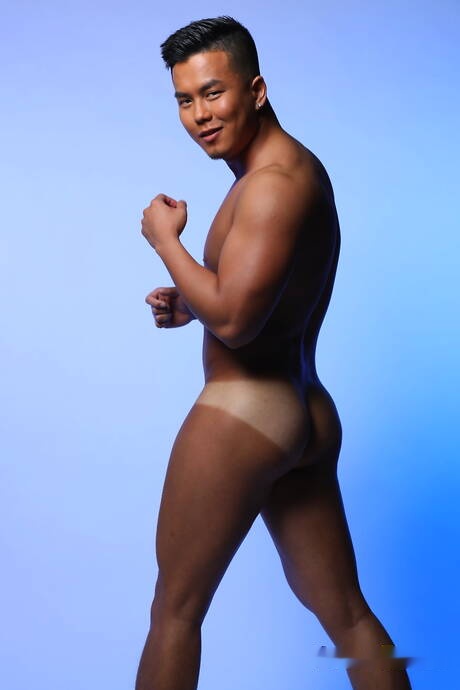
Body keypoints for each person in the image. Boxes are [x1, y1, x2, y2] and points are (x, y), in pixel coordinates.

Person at [136, 16, 412, 690]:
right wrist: (192, 301)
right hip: (302, 409)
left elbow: (235, 321)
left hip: (244, 415)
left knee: (175, 612)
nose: (200, 115)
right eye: (184, 100)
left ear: (255, 90)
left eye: (213, 93)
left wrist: (166, 241)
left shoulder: (272, 184)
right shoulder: (288, 171)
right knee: (348, 617)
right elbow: (254, 300)